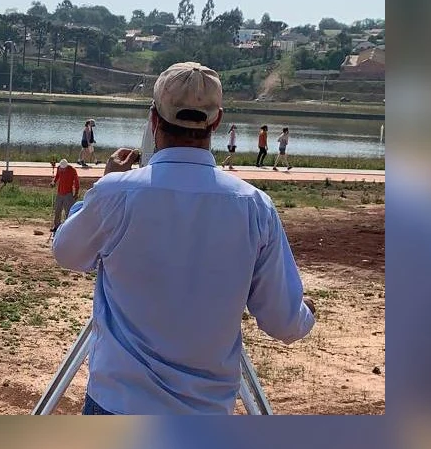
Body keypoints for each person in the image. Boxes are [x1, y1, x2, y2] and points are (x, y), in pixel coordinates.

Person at [52, 62, 316, 415]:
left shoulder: (116, 194)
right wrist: (305, 313)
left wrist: (104, 184)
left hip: (119, 402)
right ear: (217, 120)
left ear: (154, 119)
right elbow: (283, 321)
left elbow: (67, 252)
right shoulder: (255, 207)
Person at [50, 159, 80, 233]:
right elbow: (57, 176)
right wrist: (53, 182)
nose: (62, 169)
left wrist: (76, 193)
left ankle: (68, 227)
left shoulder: (72, 170)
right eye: (61, 168)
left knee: (68, 211)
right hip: (60, 193)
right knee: (57, 210)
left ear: (67, 166)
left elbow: (77, 182)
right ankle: (56, 226)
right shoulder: (59, 168)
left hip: (68, 194)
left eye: (64, 168)